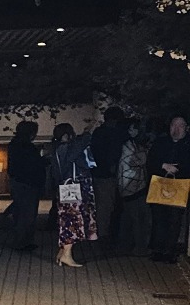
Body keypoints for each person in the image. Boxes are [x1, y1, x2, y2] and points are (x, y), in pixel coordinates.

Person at [48, 122, 96, 269]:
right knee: (72, 220)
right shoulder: (66, 149)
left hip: (65, 187)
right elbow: (76, 149)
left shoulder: (56, 149)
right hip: (72, 188)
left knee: (68, 219)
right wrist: (87, 133)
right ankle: (66, 255)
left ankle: (63, 253)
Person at [147, 113, 190, 263]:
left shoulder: (187, 145)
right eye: (173, 125)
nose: (176, 129)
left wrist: (178, 169)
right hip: (159, 185)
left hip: (179, 186)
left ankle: (169, 251)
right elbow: (150, 160)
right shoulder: (161, 142)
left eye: (180, 126)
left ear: (186, 128)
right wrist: (163, 165)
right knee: (159, 218)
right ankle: (157, 249)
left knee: (174, 219)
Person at [89, 106, 128, 251]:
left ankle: (103, 232)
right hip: (107, 174)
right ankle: (103, 234)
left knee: (103, 204)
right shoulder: (111, 134)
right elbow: (110, 153)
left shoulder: (100, 133)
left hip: (100, 173)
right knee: (106, 205)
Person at [4, 121, 46, 253]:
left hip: (20, 182)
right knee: (27, 214)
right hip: (28, 183)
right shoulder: (26, 147)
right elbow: (33, 165)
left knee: (22, 213)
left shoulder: (15, 145)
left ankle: (23, 241)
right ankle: (22, 242)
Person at [118, 115, 152, 256]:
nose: (131, 131)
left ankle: (124, 246)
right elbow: (138, 161)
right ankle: (139, 247)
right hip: (131, 186)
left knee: (131, 218)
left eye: (134, 129)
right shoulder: (129, 146)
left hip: (133, 186)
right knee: (138, 218)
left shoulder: (133, 145)